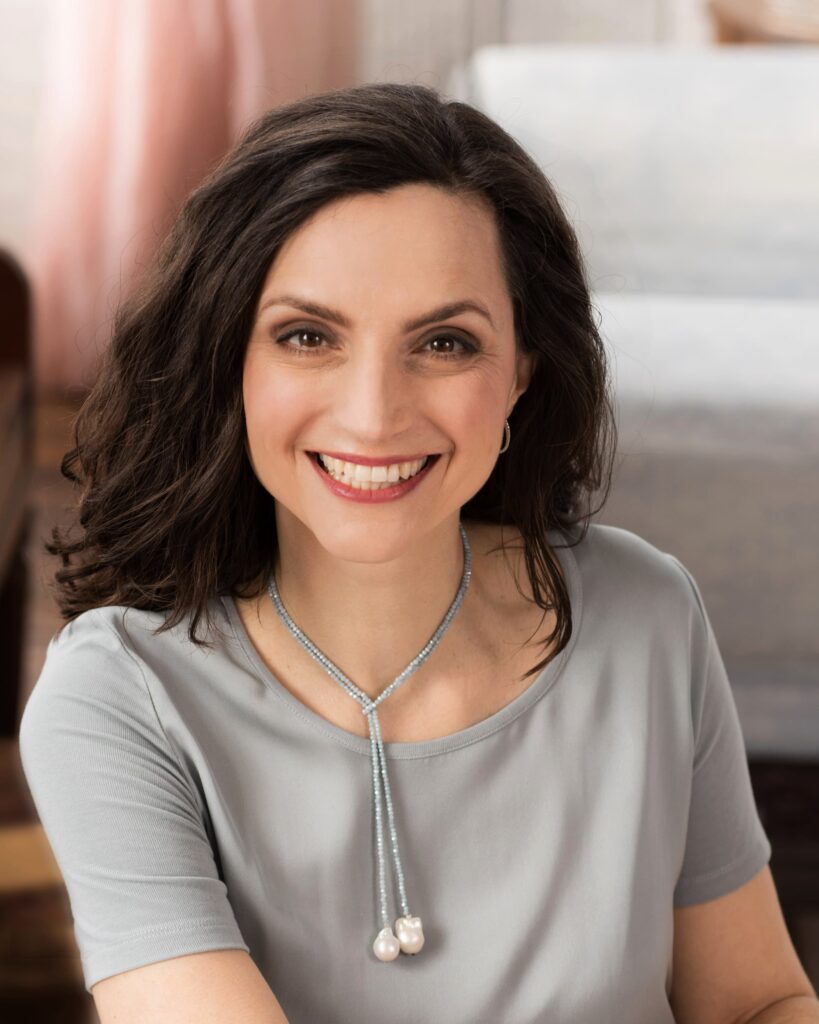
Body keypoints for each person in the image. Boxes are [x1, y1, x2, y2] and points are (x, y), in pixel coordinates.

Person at [18, 82, 818, 1024]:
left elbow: (758, 1001)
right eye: (307, 336)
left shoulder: (644, 613)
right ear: (228, 359)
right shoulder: (120, 700)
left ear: (521, 371)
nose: (373, 414)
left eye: (443, 342)